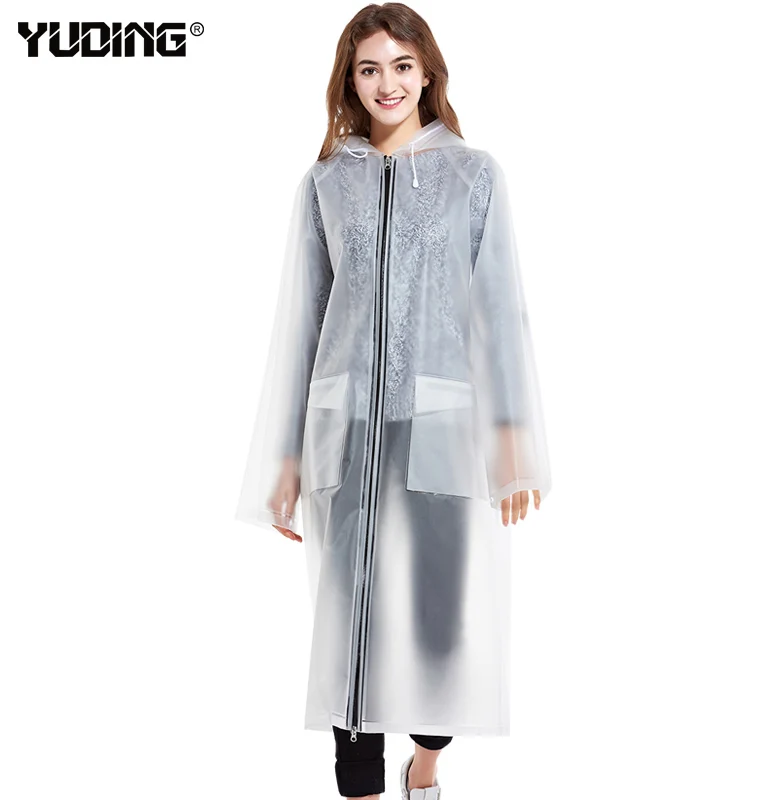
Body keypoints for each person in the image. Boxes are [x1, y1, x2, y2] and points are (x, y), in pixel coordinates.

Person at [235, 3, 552, 798]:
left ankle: (427, 762)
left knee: (441, 633)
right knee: (352, 633)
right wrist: (284, 458)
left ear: (427, 73)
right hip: (345, 431)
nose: (387, 84)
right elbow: (302, 323)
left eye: (402, 66)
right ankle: (364, 786)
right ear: (350, 79)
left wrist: (513, 436)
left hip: (440, 426)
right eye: (369, 68)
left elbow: (500, 311)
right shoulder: (324, 184)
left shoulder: (473, 176)